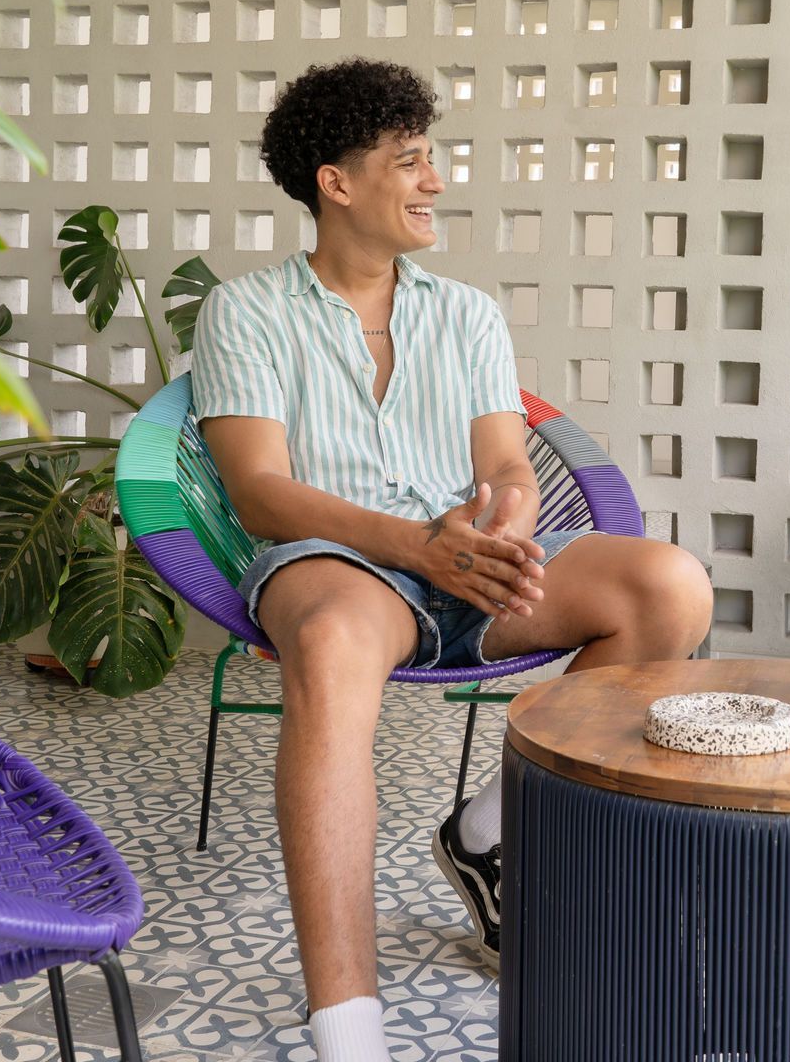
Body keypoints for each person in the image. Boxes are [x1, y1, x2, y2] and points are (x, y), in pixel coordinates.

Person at [191, 56, 714, 1061]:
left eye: (431, 159)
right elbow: (259, 490)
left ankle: (487, 829)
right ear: (337, 184)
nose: (435, 181)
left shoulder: (466, 314)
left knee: (668, 586)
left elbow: (507, 462)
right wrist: (416, 546)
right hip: (340, 561)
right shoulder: (246, 312)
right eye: (410, 161)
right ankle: (348, 1025)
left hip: (463, 558)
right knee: (334, 640)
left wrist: (505, 526)